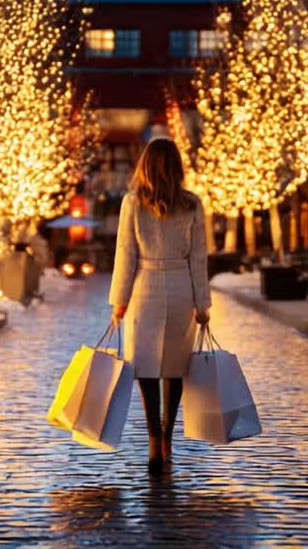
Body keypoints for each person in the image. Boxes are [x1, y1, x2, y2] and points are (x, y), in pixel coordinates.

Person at [109, 138, 210, 476]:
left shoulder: (133, 203)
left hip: (145, 286)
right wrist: (202, 302)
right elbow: (198, 257)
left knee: (146, 366)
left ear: (145, 166)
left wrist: (119, 301)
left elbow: (126, 254)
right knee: (175, 365)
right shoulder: (192, 204)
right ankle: (168, 436)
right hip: (181, 284)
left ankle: (153, 438)